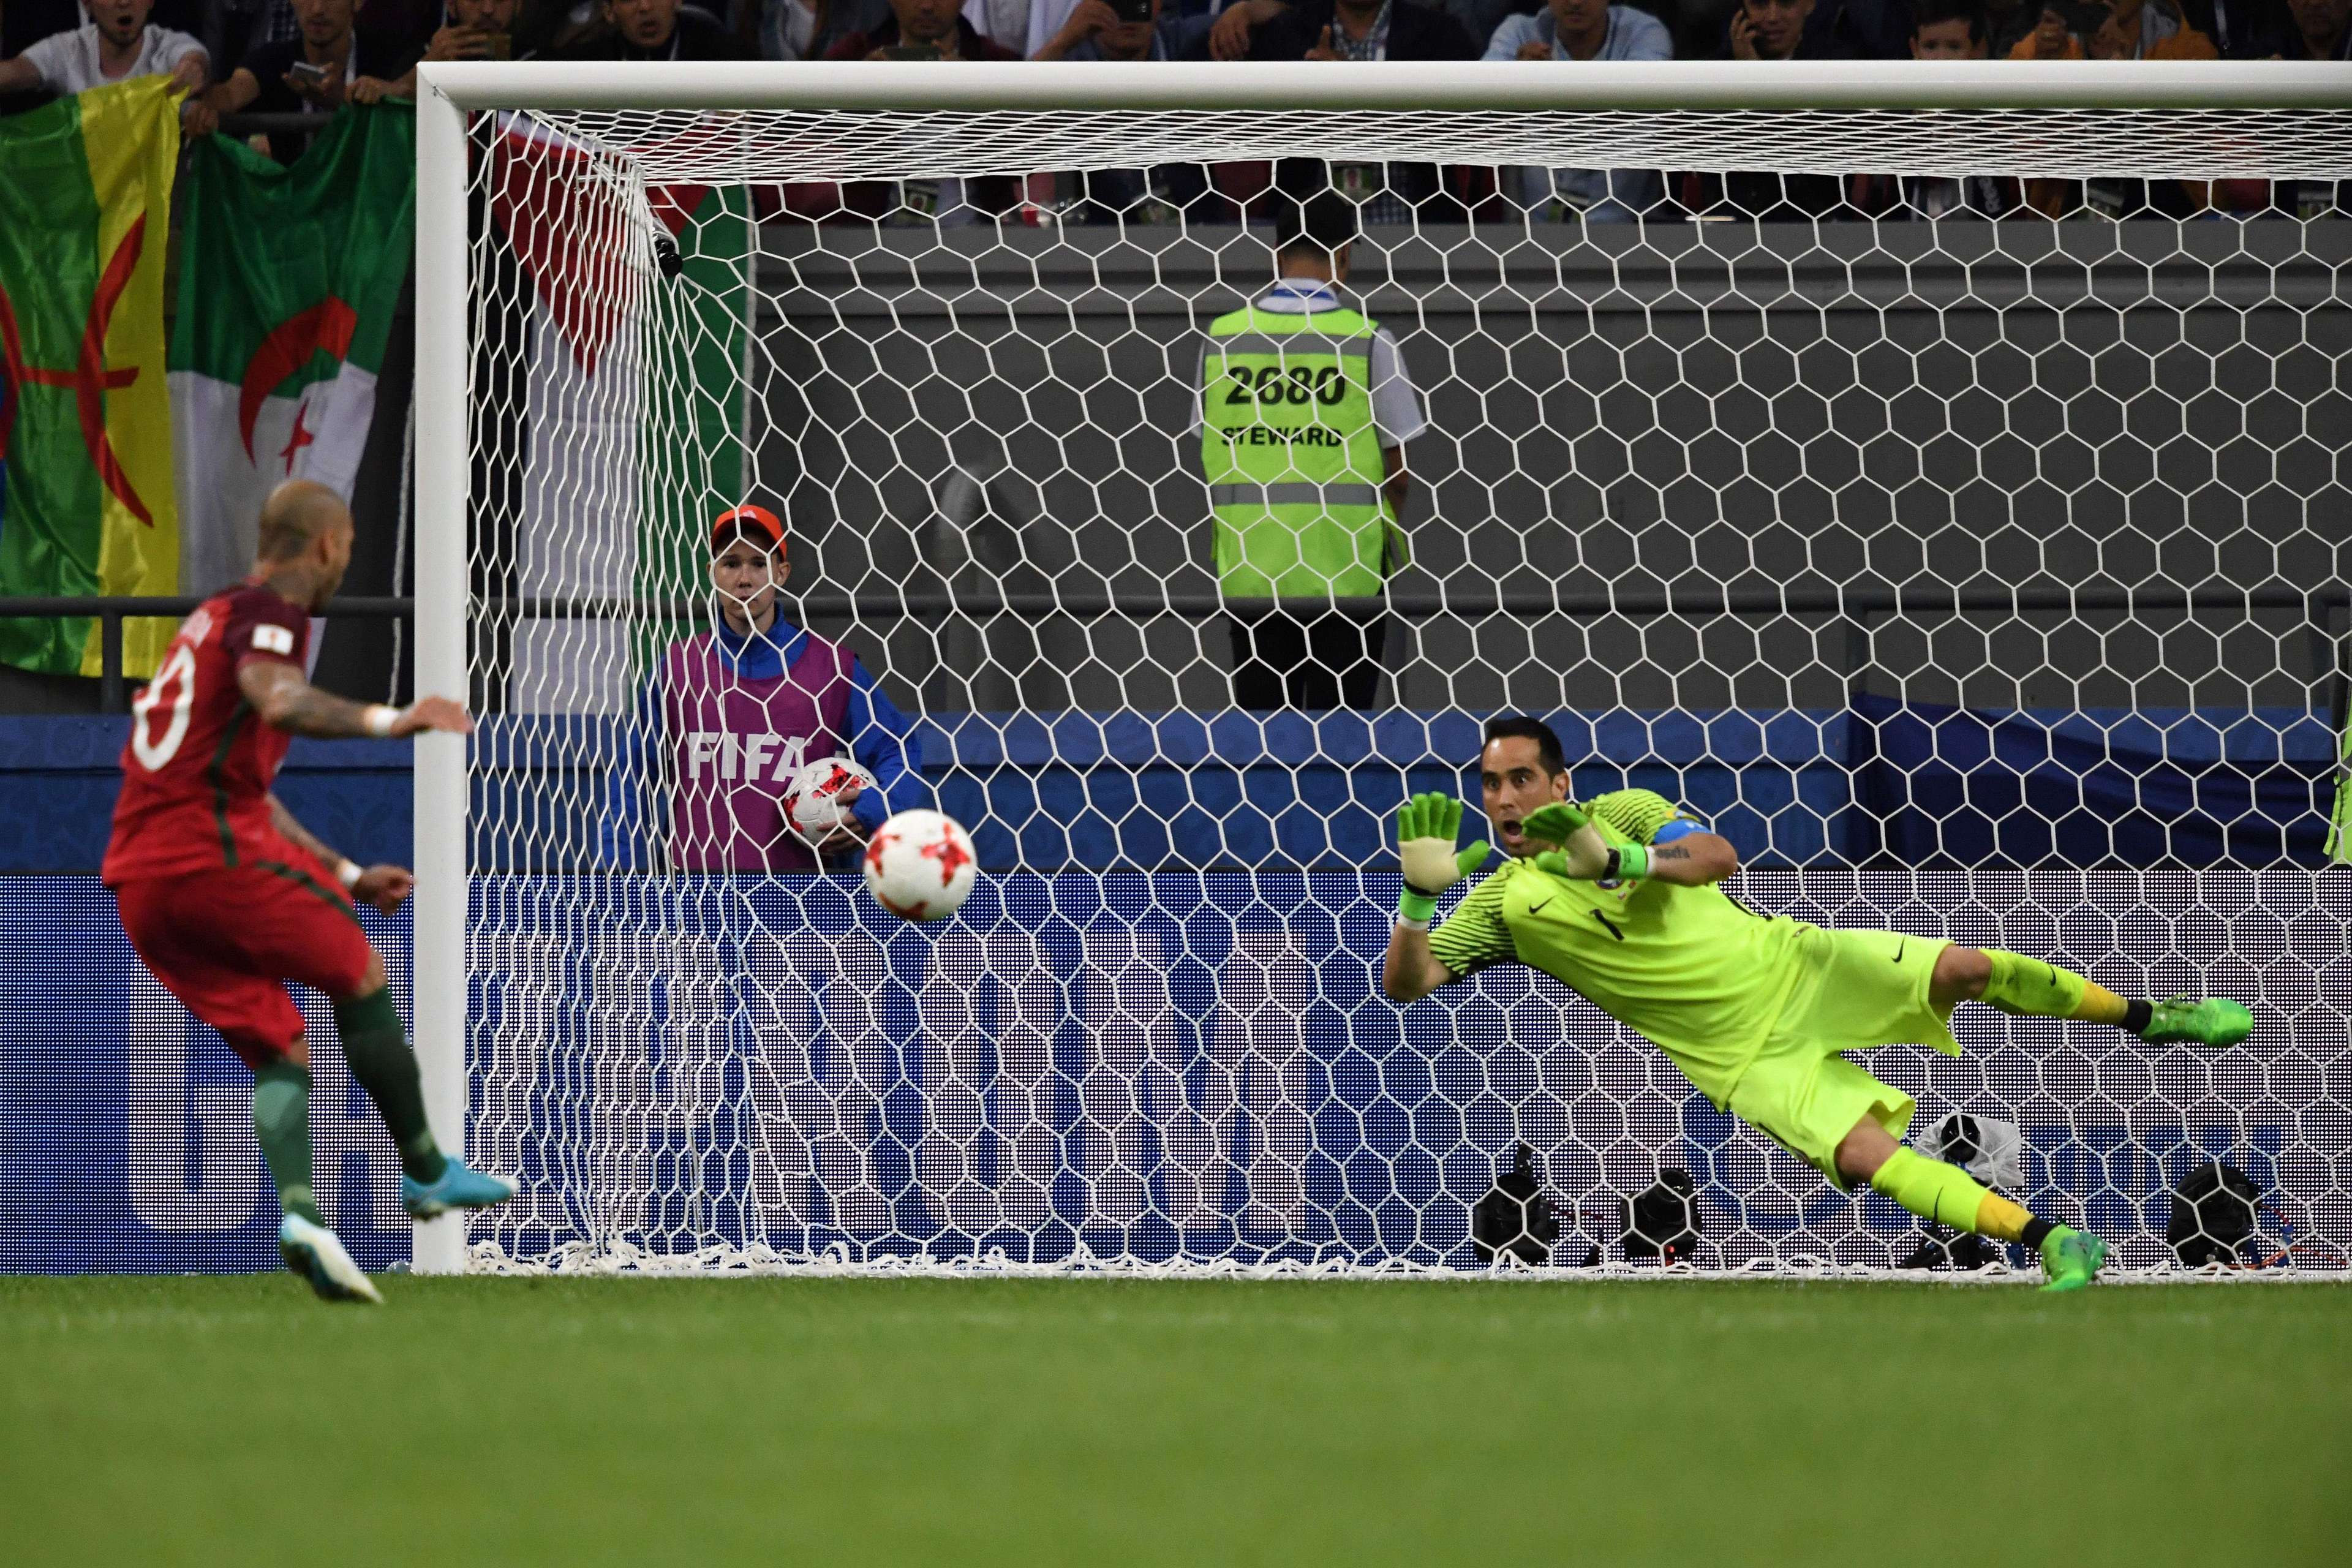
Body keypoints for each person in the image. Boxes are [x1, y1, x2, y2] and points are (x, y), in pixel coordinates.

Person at [1381, 717, 2257, 1291]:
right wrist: (1418, 903)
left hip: (1795, 965)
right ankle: (2054, 1244)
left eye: (1522, 778)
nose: (1503, 798)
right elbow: (1406, 986)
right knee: (1872, 1156)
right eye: (1492, 784)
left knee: (1963, 966)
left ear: (1561, 784)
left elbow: (1718, 856)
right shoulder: (1497, 904)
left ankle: (2153, 1017)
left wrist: (1619, 865)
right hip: (1741, 1060)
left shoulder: (1626, 810)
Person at [104, 481, 513, 1305]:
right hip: (204, 857)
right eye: (349, 550)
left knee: (279, 1044)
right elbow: (280, 700)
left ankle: (301, 1220)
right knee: (361, 976)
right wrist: (390, 722)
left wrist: (350, 874)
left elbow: (254, 794)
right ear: (328, 546)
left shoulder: (211, 619)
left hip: (140, 886)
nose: (344, 566)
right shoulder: (271, 616)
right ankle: (428, 1172)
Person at [1196, 193, 1427, 711]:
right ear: (1344, 254)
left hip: (1252, 575)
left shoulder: (1224, 340)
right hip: (1348, 578)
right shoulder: (1369, 341)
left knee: (1265, 748)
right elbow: (1401, 473)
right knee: (1342, 747)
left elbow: (1211, 447)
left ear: (1276, 256)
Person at [602, 505, 925, 873]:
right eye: (731, 563)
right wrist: (619, 880)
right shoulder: (678, 668)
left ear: (781, 573)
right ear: (713, 574)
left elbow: (899, 752)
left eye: (759, 563)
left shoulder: (833, 668)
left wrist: (874, 809)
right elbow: (630, 784)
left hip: (804, 901)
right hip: (694, 897)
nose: (745, 578)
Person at [1483, 0, 1673, 225]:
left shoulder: (1643, 32)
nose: (1575, 2)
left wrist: (1541, 85)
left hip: (1629, 231)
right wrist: (1514, 76)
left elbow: (1646, 91)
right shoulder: (1519, 31)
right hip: (1532, 231)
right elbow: (1479, 100)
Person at [203, 0, 419, 161]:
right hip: (293, 214)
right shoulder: (272, 60)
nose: (317, 9)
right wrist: (198, 97)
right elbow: (230, 94)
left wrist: (344, 98)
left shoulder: (389, 58)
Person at [0, 0, 216, 134]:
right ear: (86, 3)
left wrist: (191, 72)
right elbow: (15, 71)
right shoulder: (70, 49)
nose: (124, 2)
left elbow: (194, 61)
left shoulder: (168, 45)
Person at [556, 0, 751, 56]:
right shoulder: (586, 66)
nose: (645, 7)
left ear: (678, 1)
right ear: (609, 12)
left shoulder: (724, 53)